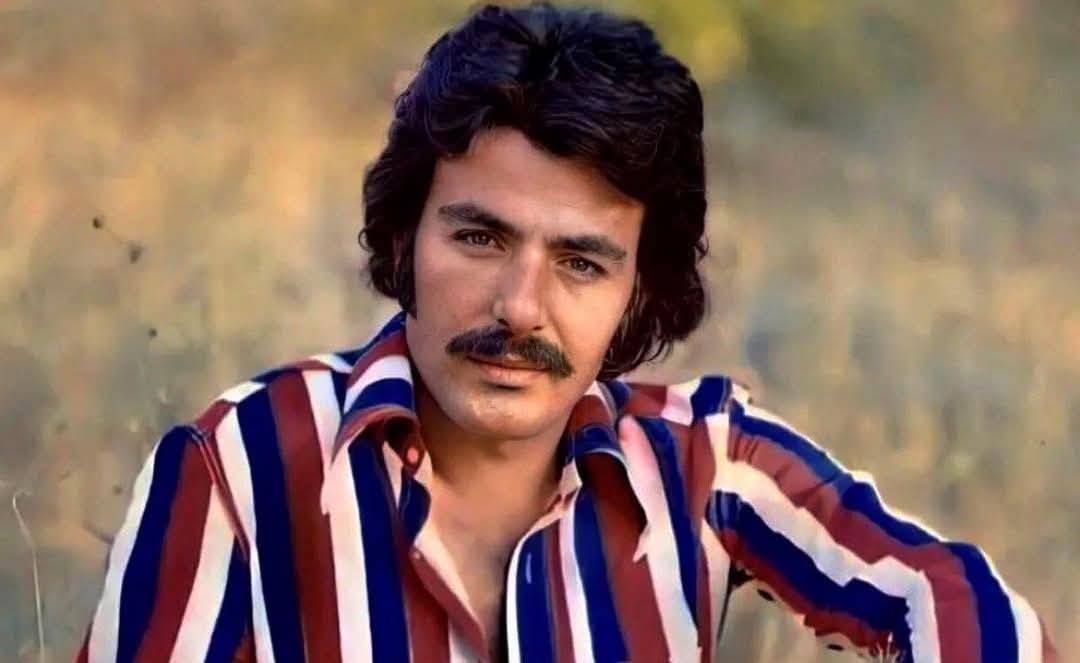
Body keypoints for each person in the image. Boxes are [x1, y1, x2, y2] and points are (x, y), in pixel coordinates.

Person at [78, 3, 1056, 662]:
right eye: (480, 237)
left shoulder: (702, 465)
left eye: (581, 262)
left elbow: (963, 608)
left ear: (637, 288)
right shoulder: (240, 469)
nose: (520, 306)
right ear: (407, 236)